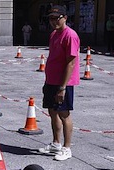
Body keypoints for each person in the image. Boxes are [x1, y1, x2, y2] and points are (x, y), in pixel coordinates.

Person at [38, 5, 80, 161]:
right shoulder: (54, 34)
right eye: (51, 18)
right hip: (51, 80)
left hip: (64, 82)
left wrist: (62, 87)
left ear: (65, 18)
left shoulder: (70, 35)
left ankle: (67, 148)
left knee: (64, 113)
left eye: (57, 18)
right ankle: (56, 143)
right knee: (52, 111)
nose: (54, 21)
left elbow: (71, 63)